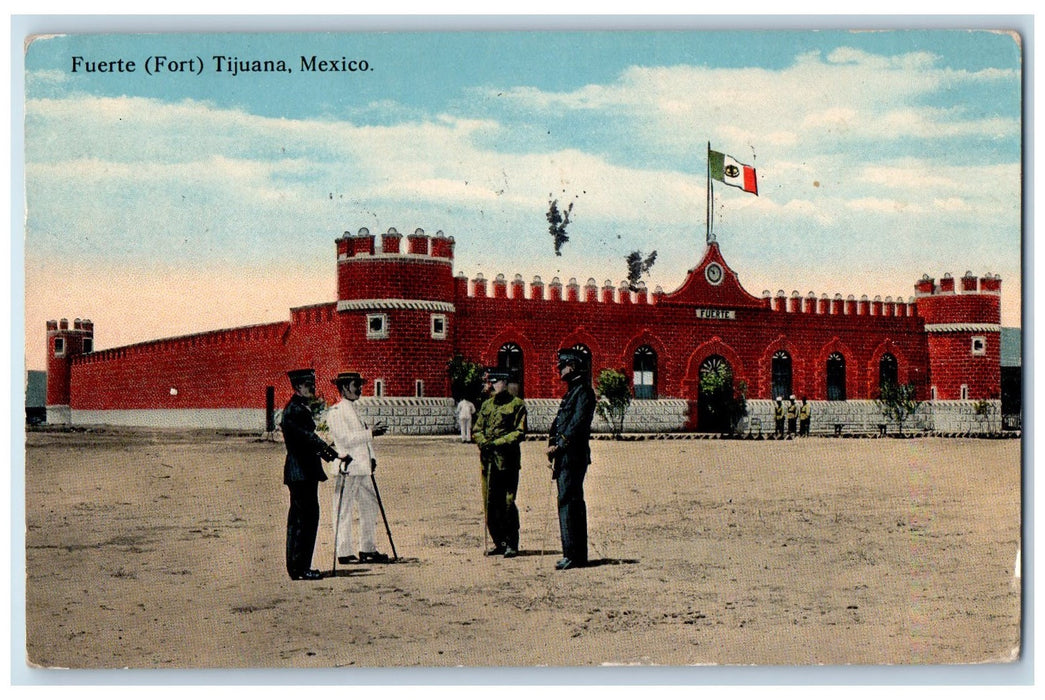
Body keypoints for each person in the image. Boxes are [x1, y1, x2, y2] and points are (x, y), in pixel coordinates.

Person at [326, 371, 390, 565]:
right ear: (345, 387)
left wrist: (372, 457)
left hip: (362, 468)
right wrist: (371, 433)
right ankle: (344, 552)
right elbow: (345, 439)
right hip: (348, 466)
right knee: (343, 509)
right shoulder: (336, 412)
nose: (360, 389)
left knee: (370, 506)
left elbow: (364, 439)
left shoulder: (355, 409)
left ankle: (367, 548)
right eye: (356, 385)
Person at [281, 368, 339, 581]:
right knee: (305, 519)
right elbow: (308, 438)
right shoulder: (295, 410)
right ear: (298, 387)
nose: (313, 389)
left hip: (301, 472)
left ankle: (298, 567)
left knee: (300, 519)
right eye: (309, 386)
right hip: (301, 472)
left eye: (313, 385)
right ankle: (300, 568)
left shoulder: (296, 407)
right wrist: (331, 453)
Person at [546, 348, 596, 570]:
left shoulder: (584, 392)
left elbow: (577, 424)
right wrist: (551, 443)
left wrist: (561, 445)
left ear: (573, 366)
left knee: (571, 502)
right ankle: (571, 553)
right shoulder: (572, 391)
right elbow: (559, 423)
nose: (560, 369)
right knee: (566, 501)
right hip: (565, 456)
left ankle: (575, 555)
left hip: (573, 456)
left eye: (563, 365)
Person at [473, 370, 528, 558]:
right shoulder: (486, 405)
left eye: (496, 381)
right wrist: (482, 441)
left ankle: (512, 542)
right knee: (490, 504)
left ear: (505, 382)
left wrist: (497, 443)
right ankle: (499, 542)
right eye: (491, 382)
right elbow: (477, 428)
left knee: (507, 503)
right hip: (488, 462)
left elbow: (519, 432)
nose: (493, 385)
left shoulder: (517, 404)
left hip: (507, 462)